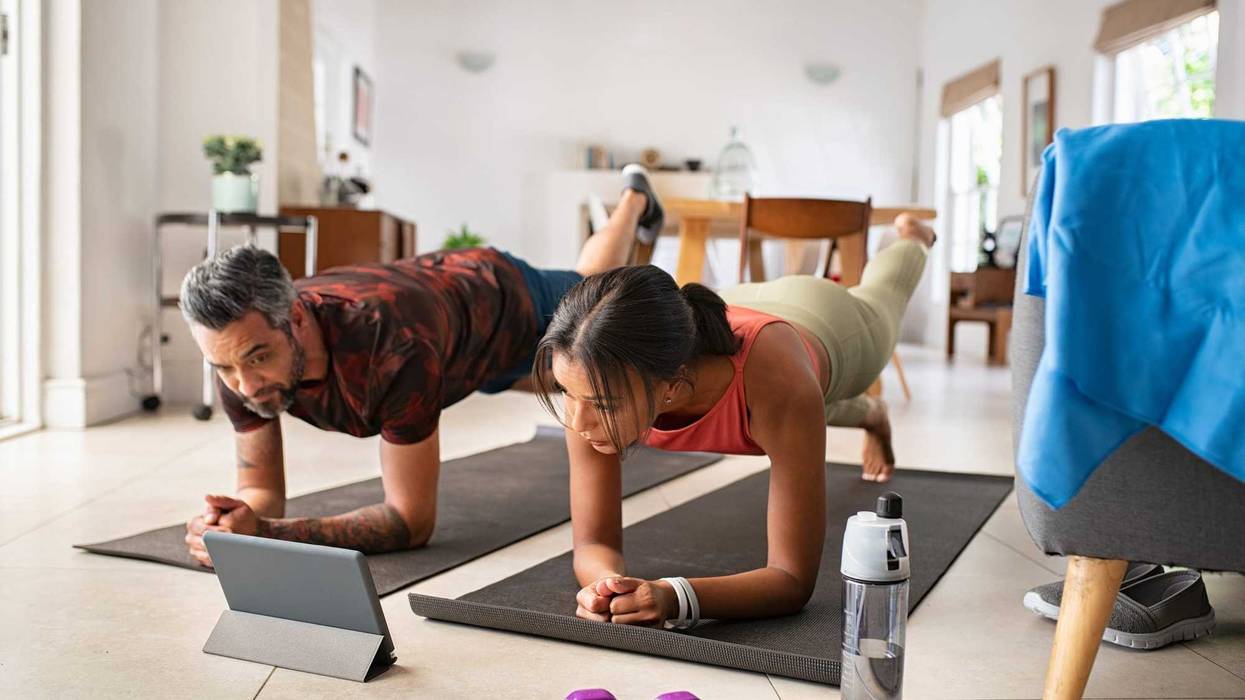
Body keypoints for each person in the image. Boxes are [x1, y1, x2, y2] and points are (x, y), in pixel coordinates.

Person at [180, 166, 665, 567]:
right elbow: (260, 490)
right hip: (450, 349)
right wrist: (234, 522)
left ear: (298, 319)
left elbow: (410, 522)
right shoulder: (239, 353)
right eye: (223, 367)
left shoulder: (391, 348)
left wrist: (266, 534)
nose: (243, 384)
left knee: (596, 288)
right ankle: (633, 203)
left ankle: (634, 200)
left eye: (258, 358)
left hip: (502, 302)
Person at [531, 215, 933, 626]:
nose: (577, 420)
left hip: (825, 320)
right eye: (567, 393)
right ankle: (867, 414)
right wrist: (608, 587)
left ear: (669, 385)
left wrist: (675, 598)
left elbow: (791, 579)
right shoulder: (593, 373)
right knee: (788, 419)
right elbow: (593, 542)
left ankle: (914, 239)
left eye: (602, 403)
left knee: (883, 299)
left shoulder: (779, 383)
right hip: (733, 312)